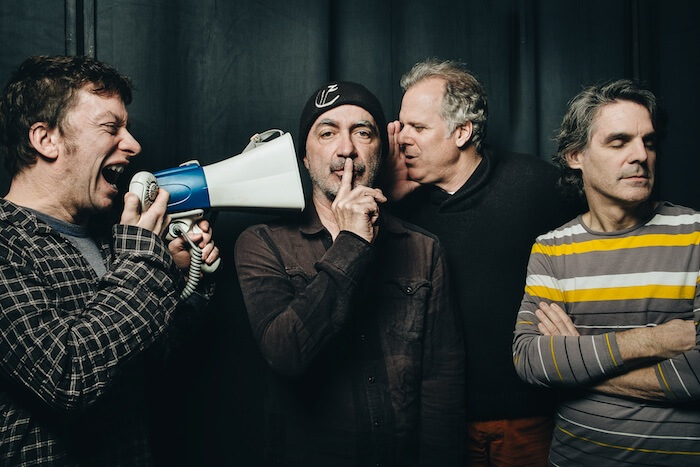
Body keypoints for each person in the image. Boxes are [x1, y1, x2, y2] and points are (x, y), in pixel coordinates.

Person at [0, 55, 219, 465]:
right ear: (46, 139)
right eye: (110, 127)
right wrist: (144, 258)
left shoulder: (109, 237)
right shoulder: (7, 242)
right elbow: (67, 376)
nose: (133, 145)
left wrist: (181, 276)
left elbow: (149, 366)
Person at [234, 81, 465, 466]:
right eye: (327, 133)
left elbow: (442, 385)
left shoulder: (424, 249)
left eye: (363, 133)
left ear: (381, 153)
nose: (346, 148)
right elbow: (286, 353)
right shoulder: (262, 243)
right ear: (305, 158)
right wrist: (352, 243)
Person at [385, 59, 578, 465]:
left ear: (462, 132)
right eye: (401, 126)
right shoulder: (400, 204)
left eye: (418, 127)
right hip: (437, 421)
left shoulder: (536, 185)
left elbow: (601, 239)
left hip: (527, 415)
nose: (401, 140)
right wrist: (389, 203)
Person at [513, 79, 700, 465]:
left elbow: (697, 376)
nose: (641, 155)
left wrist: (576, 364)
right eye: (619, 142)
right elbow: (530, 359)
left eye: (649, 142)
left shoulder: (695, 234)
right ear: (575, 155)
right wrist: (653, 341)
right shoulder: (552, 248)